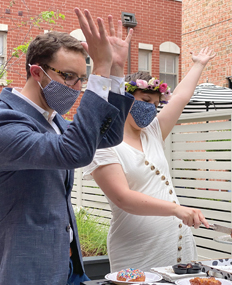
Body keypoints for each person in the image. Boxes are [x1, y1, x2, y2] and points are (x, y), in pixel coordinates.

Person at [0, 7, 134, 285]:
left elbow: (109, 136)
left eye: (82, 79)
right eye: (68, 76)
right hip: (22, 268)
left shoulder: (55, 120)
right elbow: (74, 152)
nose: (76, 87)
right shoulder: (5, 119)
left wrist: (116, 70)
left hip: (65, 264)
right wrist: (99, 69)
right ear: (37, 72)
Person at [83, 47, 216, 272]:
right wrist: (176, 209)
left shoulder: (153, 132)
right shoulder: (103, 144)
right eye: (144, 100)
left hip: (176, 244)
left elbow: (181, 98)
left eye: (155, 105)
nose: (150, 109)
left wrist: (198, 64)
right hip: (135, 250)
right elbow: (123, 198)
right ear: (124, 99)